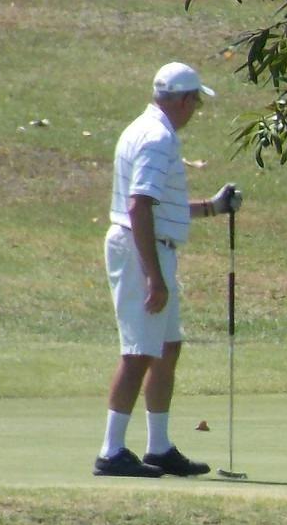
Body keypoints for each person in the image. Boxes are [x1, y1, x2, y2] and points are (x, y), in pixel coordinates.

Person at [95, 62, 241, 478]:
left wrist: (212, 207)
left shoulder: (146, 129)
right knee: (139, 351)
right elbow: (138, 205)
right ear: (181, 99)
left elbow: (156, 205)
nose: (196, 108)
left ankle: (157, 447)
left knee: (167, 346)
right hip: (141, 251)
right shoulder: (158, 138)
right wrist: (153, 276)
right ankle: (110, 451)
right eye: (195, 100)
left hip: (150, 246)